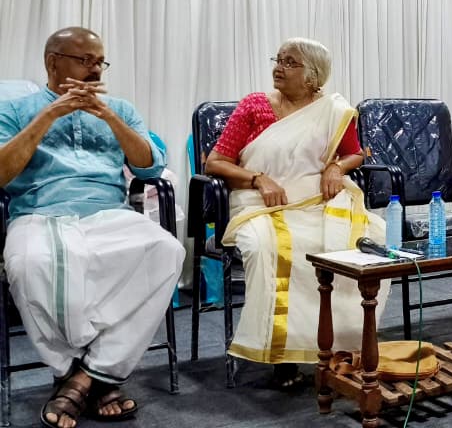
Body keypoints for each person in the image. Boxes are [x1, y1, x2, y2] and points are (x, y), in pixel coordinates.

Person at [0, 27, 184, 428]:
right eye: (85, 60)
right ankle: (93, 376)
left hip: (108, 212)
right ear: (53, 62)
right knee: (30, 263)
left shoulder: (119, 108)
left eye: (100, 61)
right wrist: (51, 114)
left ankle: (83, 378)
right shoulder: (14, 110)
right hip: (41, 212)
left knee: (166, 250)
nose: (96, 69)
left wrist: (109, 117)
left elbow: (149, 167)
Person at [203, 38, 385, 390]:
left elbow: (355, 153)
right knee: (268, 247)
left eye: (290, 62)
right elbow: (215, 162)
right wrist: (257, 178)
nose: (279, 67)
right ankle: (283, 354)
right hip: (259, 202)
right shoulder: (255, 106)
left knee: (362, 240)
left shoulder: (333, 110)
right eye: (279, 59)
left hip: (315, 200)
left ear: (313, 76)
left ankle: (337, 345)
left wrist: (336, 167)